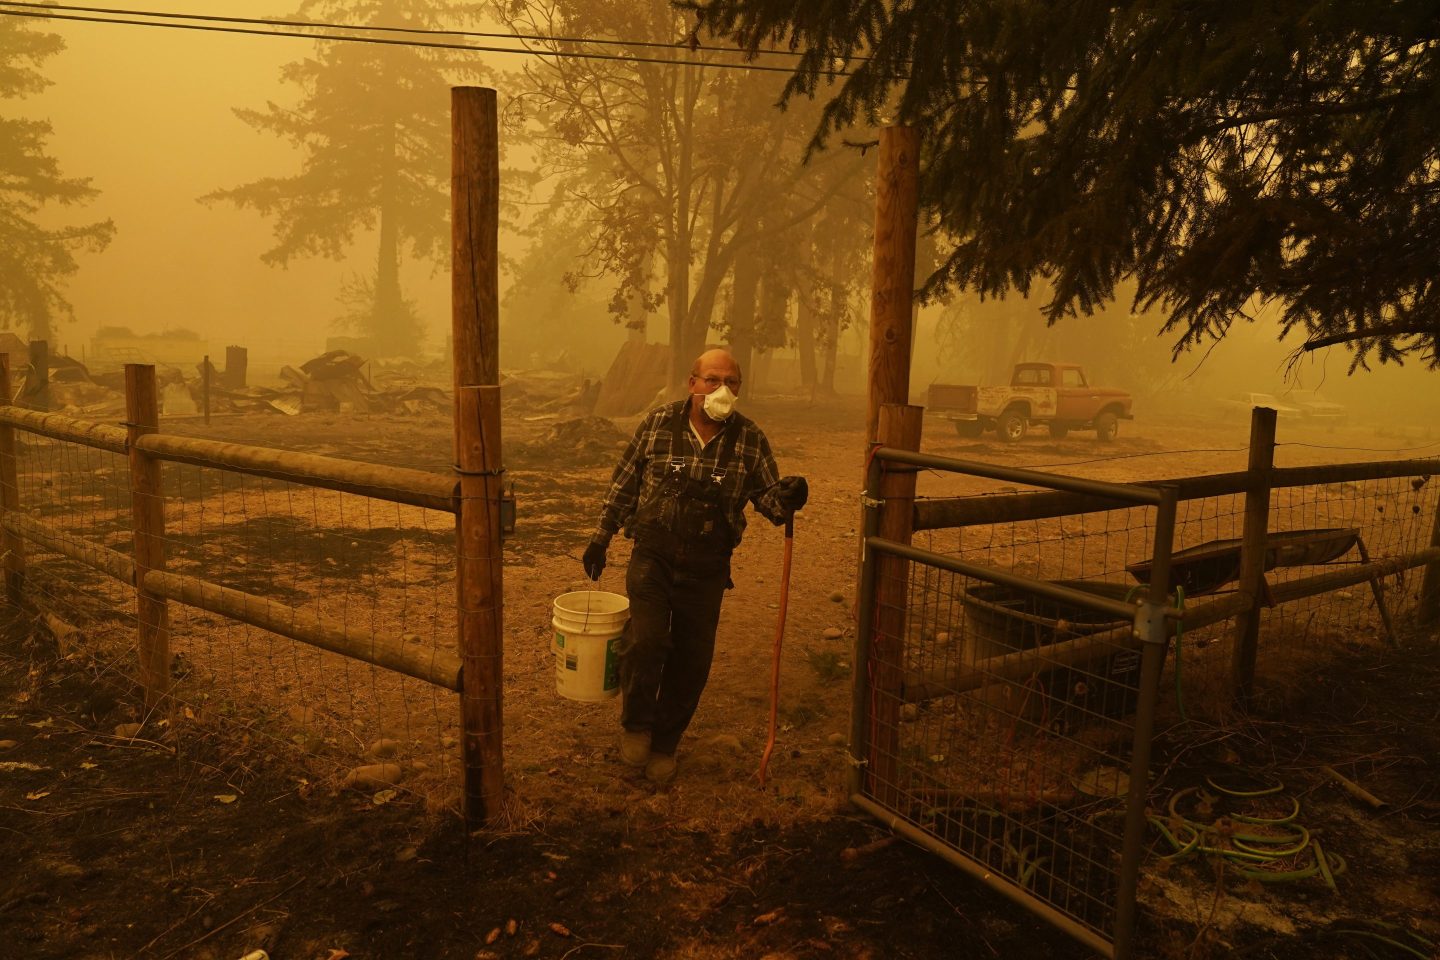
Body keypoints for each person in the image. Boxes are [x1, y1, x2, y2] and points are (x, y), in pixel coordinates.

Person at [581, 348, 808, 784]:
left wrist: (791, 495)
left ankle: (665, 742)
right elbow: (624, 482)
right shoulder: (657, 425)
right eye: (712, 380)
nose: (721, 389)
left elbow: (771, 502)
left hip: (707, 566)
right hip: (652, 556)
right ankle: (637, 725)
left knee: (692, 659)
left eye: (731, 382)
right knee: (646, 641)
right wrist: (600, 537)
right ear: (692, 383)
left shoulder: (749, 439)